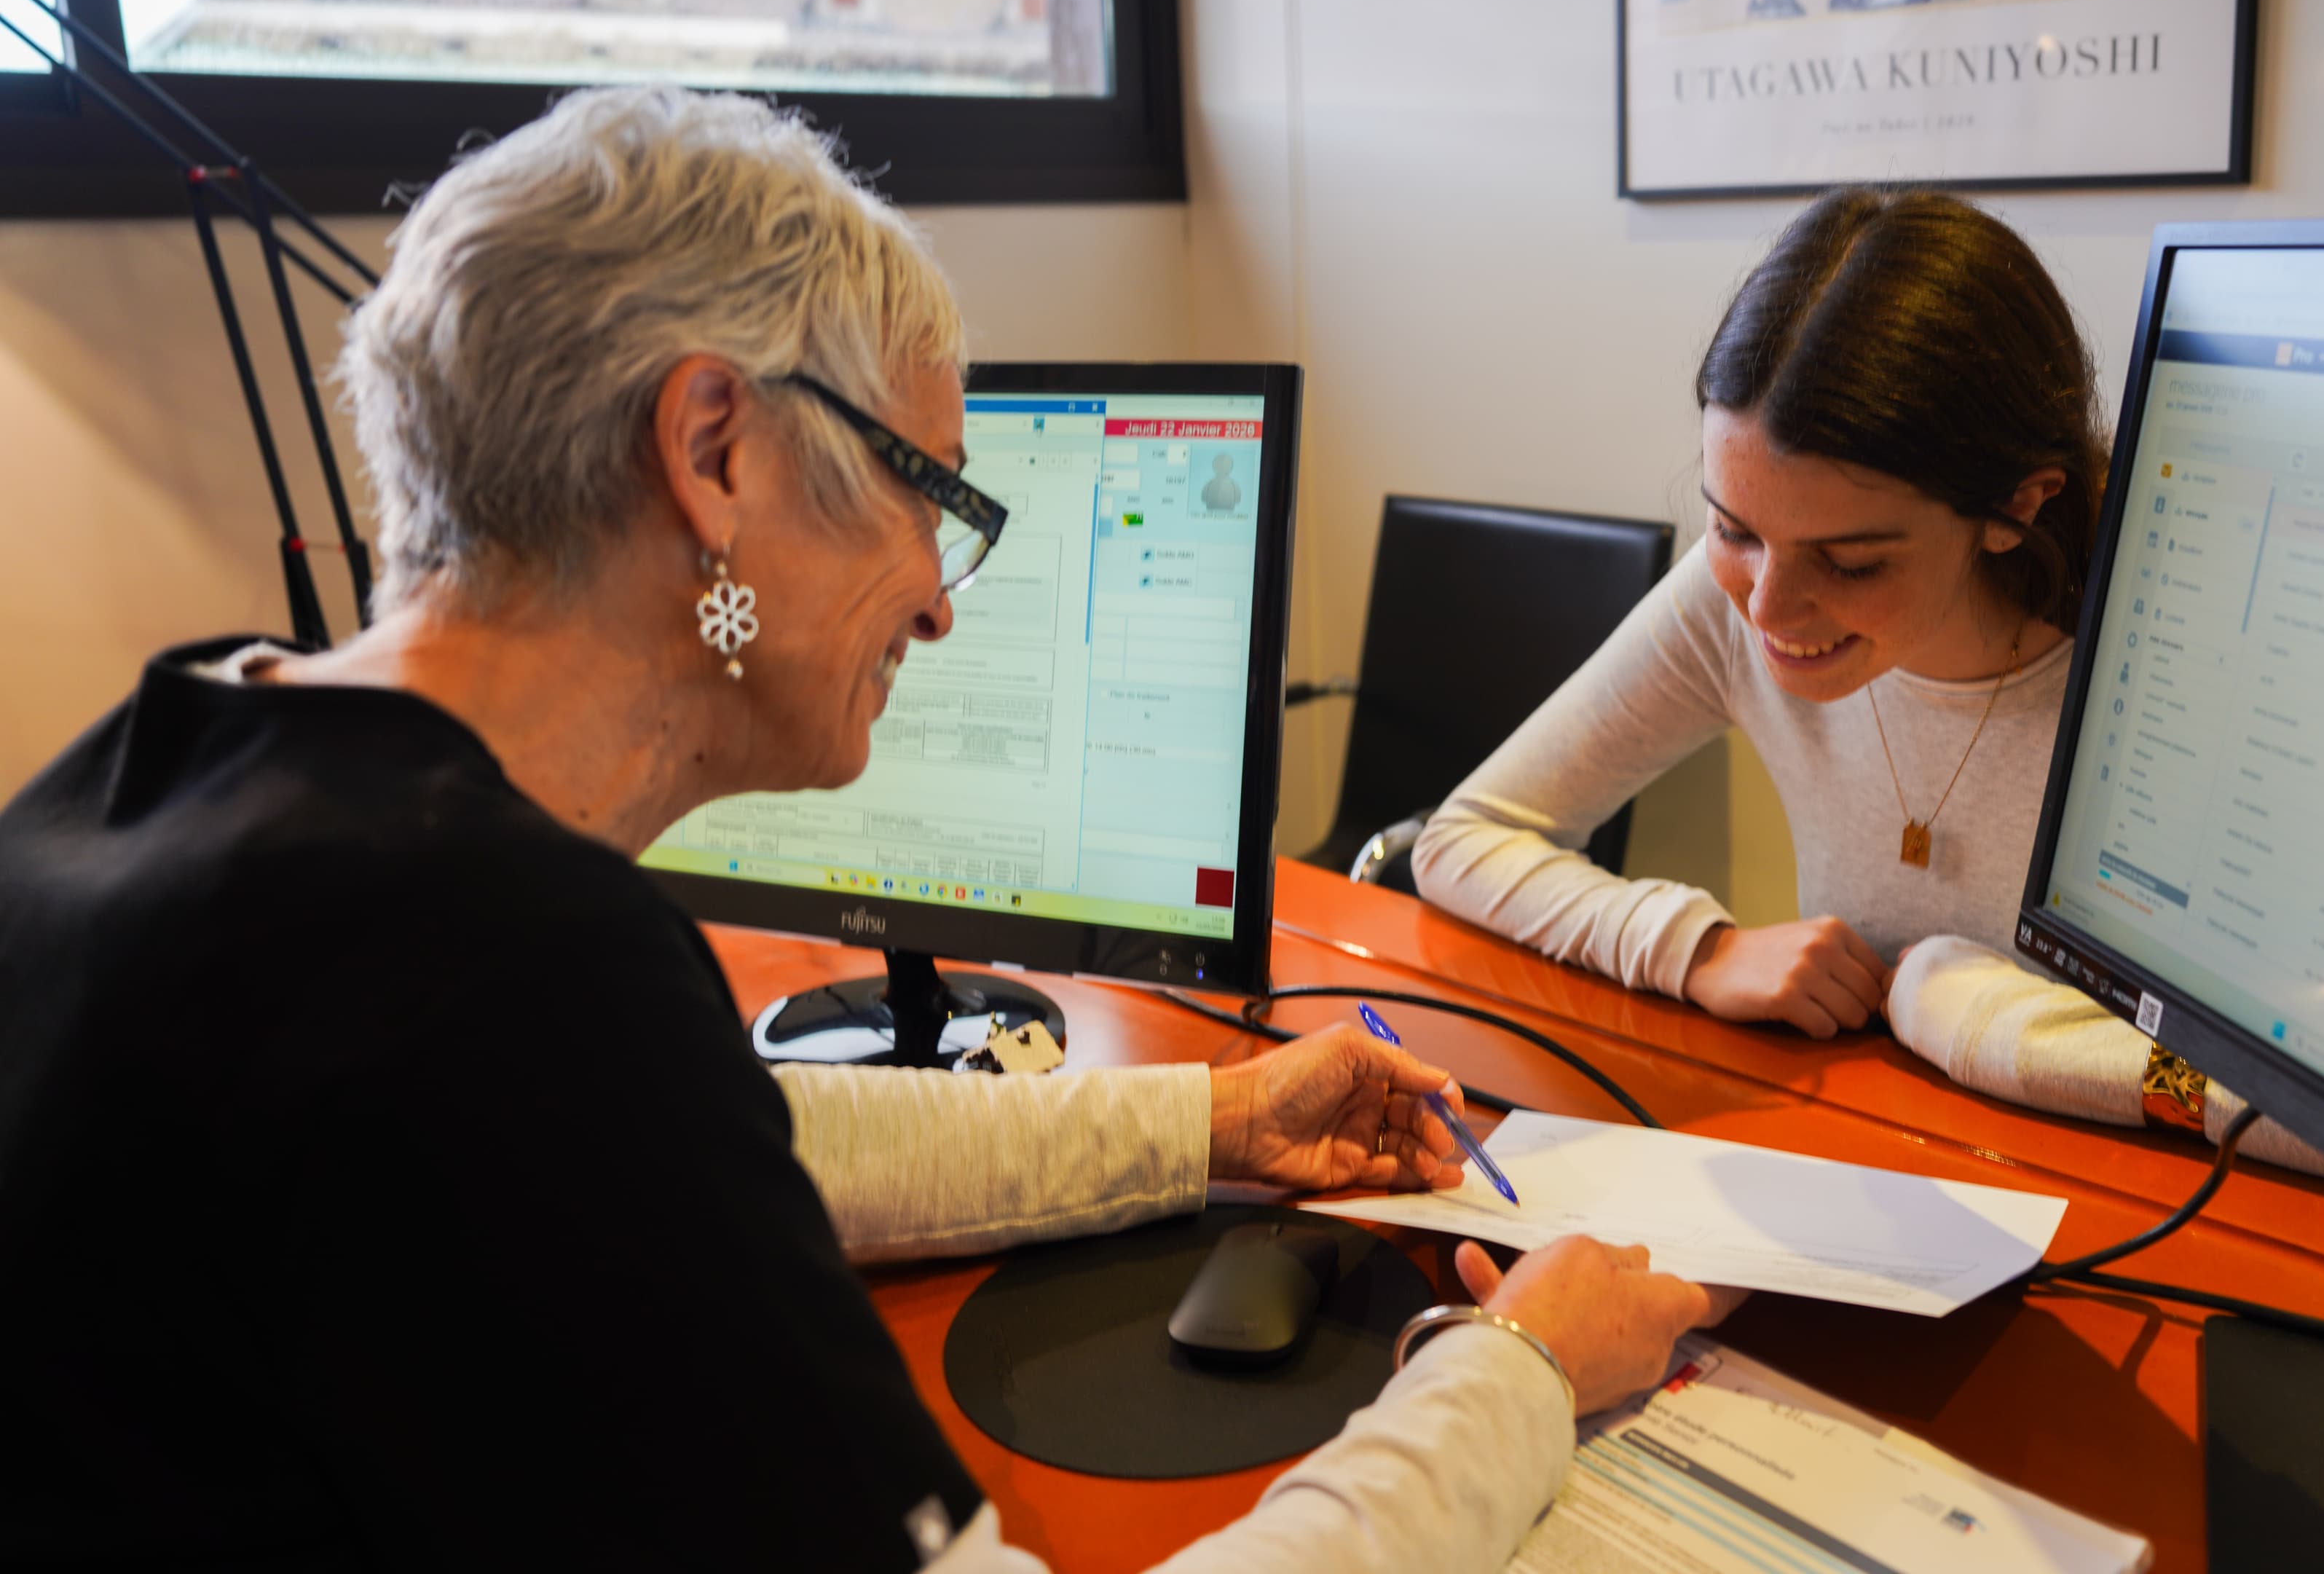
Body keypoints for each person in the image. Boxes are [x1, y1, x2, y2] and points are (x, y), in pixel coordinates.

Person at [0, 87, 1727, 1573]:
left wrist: (1216, 1119)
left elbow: (751, 1140)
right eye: (933, 493)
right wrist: (1510, 1366)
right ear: (714, 448)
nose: (940, 598)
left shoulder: (168, 765)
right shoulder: (491, 972)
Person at [1414, 190, 2324, 1172]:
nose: (1768, 608)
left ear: (2016, 505)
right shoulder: (1745, 597)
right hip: (1882, 1174)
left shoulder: (2190, 661)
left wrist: (1967, 1011)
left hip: (2173, 1212)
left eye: (1850, 564)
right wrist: (1697, 950)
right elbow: (1465, 839)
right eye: (1732, 529)